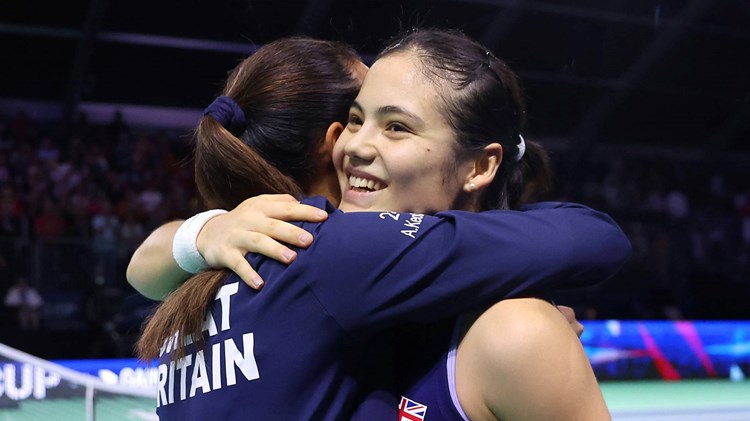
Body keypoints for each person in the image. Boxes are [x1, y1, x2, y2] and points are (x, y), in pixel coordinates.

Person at [131, 35, 629, 420]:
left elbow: (141, 266)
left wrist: (199, 231)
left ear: (481, 166)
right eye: (355, 117)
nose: (360, 145)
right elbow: (597, 237)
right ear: (330, 140)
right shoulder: (329, 252)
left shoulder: (200, 278)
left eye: (396, 126)